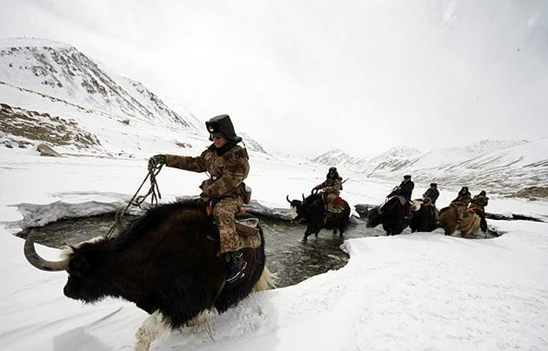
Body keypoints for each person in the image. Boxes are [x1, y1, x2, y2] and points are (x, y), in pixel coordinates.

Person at [148, 114, 250, 284]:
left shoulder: (237, 157)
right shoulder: (212, 153)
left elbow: (229, 181)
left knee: (221, 214)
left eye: (219, 137)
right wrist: (166, 159)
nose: (215, 140)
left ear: (227, 136)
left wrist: (206, 195)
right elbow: (194, 163)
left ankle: (235, 258)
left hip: (230, 195)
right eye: (213, 137)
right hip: (210, 192)